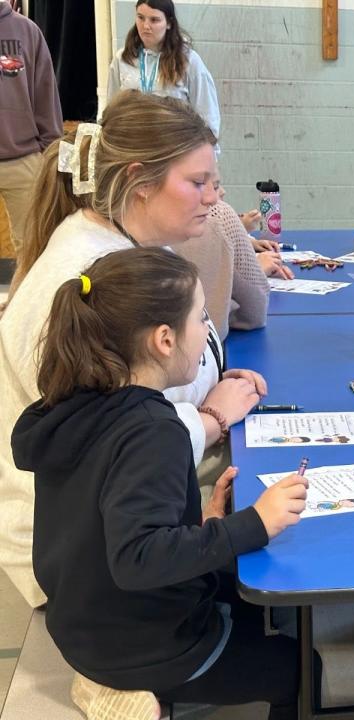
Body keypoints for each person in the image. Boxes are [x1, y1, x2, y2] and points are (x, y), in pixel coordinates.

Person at [12, 248, 310, 720]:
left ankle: (119, 682)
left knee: (254, 594)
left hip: (83, 627)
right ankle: (144, 688)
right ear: (165, 340)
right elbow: (137, 559)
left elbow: (107, 521)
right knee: (299, 665)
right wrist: (254, 523)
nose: (207, 331)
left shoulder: (72, 403)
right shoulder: (155, 430)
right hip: (141, 644)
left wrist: (200, 520)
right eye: (202, 318)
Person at [0, 91, 264, 608]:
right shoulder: (83, 279)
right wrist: (212, 418)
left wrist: (217, 380)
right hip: (90, 562)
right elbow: (113, 449)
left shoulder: (136, 247)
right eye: (197, 183)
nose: (215, 197)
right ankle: (109, 677)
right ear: (141, 183)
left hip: (136, 513)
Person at [174, 166, 291, 339]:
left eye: (214, 185)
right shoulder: (218, 217)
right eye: (198, 182)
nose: (214, 198)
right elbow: (253, 311)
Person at [0, 0, 63, 251]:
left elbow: (46, 94)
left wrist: (50, 155)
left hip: (23, 158)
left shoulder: (27, 31)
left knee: (32, 247)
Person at [107, 0, 220, 137]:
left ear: (169, 23)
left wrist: (207, 154)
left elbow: (208, 117)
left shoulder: (188, 60)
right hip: (134, 146)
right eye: (140, 17)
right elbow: (111, 110)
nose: (146, 26)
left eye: (154, 20)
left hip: (173, 148)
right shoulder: (123, 58)